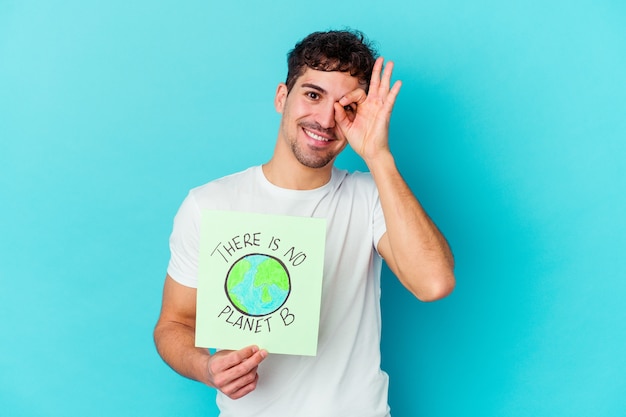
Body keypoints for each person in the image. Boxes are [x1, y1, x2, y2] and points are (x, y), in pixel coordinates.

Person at [154, 29, 455, 417]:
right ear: (282, 97)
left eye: (345, 106)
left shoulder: (372, 197)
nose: (326, 118)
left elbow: (435, 283)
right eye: (313, 95)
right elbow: (174, 323)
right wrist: (207, 368)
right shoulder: (209, 204)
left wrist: (379, 157)